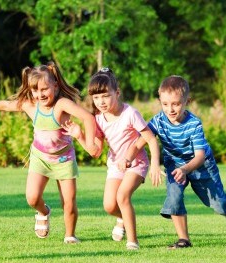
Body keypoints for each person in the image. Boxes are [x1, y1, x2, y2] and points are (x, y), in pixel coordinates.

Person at [0, 62, 98, 244]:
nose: (40, 94)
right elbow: (7, 105)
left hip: (63, 160)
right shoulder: (31, 105)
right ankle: (43, 211)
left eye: (44, 89)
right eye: (35, 90)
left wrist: (91, 143)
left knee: (69, 203)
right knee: (32, 198)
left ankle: (70, 235)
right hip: (40, 158)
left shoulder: (62, 104)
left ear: (55, 84)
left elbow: (88, 118)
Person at [137, 75, 226, 249]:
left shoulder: (194, 124)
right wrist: (127, 157)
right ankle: (183, 239)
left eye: (176, 104)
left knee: (219, 204)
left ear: (187, 101)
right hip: (173, 164)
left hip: (201, 166)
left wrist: (185, 170)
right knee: (174, 196)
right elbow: (143, 140)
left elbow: (200, 156)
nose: (170, 109)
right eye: (165, 104)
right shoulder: (158, 121)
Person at [62, 67, 162, 250]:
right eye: (96, 97)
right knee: (109, 205)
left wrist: (155, 164)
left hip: (136, 164)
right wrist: (79, 136)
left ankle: (133, 242)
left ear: (117, 93)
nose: (101, 101)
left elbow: (150, 139)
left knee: (122, 197)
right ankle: (122, 219)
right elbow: (95, 151)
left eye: (105, 96)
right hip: (116, 165)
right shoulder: (98, 120)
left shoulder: (130, 113)